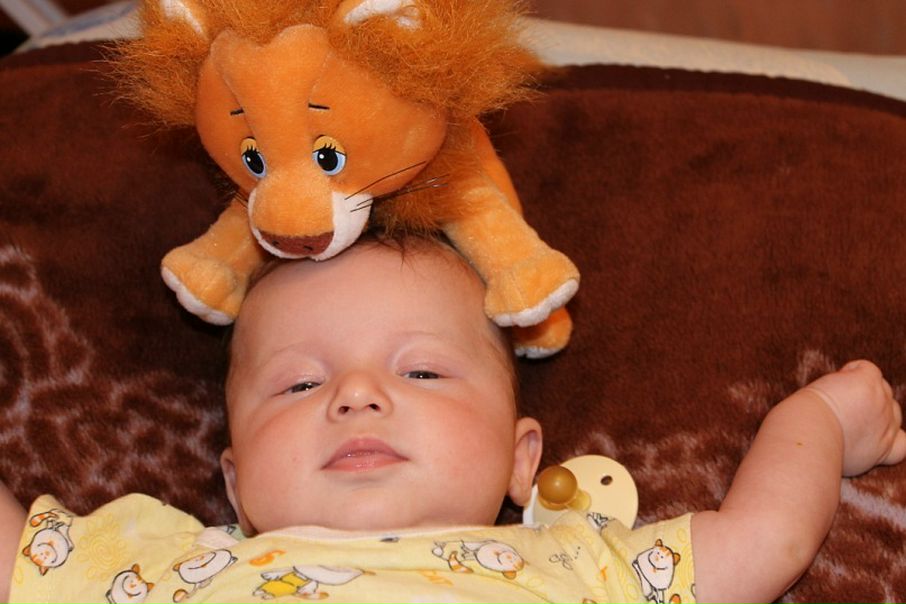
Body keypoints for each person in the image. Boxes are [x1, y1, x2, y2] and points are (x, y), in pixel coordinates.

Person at [0, 234, 903, 604]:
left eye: (422, 370)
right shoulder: (168, 566)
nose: (356, 396)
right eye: (299, 384)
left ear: (521, 460)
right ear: (234, 485)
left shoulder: (580, 563)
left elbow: (766, 540)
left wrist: (819, 416)